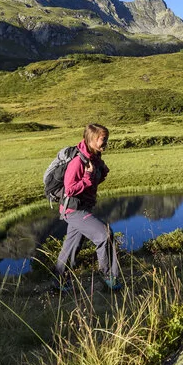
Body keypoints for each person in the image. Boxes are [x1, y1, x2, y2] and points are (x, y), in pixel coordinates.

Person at [55, 123, 122, 290]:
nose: (106, 142)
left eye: (107, 139)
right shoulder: (78, 161)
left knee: (71, 247)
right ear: (92, 139)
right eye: (103, 139)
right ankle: (109, 278)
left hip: (83, 208)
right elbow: (69, 189)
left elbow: (91, 183)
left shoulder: (93, 158)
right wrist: (88, 176)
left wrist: (100, 173)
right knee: (105, 235)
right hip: (74, 210)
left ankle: (60, 283)